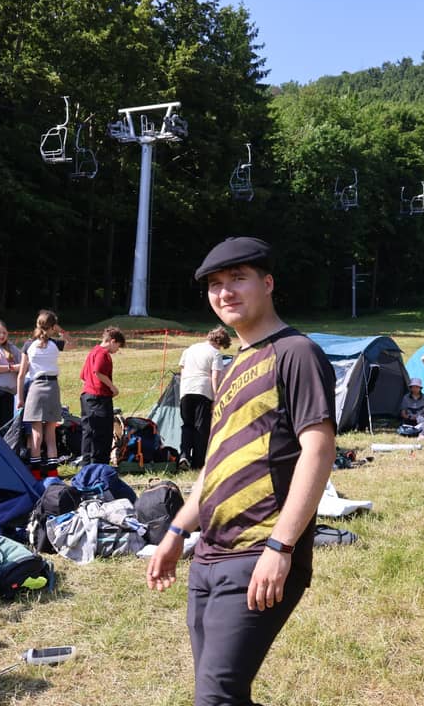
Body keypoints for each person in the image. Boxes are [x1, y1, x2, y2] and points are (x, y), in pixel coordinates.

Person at [146, 236, 336, 706]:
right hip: (208, 556)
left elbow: (318, 451)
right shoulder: (233, 366)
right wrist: (176, 532)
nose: (225, 292)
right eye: (215, 284)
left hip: (258, 552)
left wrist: (281, 546)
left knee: (216, 697)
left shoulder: (296, 353)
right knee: (221, 694)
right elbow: (216, 464)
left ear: (267, 284)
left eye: (237, 278)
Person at [16, 310, 65, 480]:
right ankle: (53, 472)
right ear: (52, 326)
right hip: (52, 386)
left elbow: (21, 374)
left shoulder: (28, 345)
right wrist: (61, 331)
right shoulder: (56, 344)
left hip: (36, 387)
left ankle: (35, 473)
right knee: (50, 433)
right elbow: (73, 342)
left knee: (36, 433)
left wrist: (20, 398)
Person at [177, 325, 232, 470]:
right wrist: (215, 398)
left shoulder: (189, 349)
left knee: (187, 425)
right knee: (201, 428)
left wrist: (182, 393)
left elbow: (182, 371)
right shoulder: (215, 354)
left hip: (186, 389)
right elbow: (215, 377)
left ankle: (184, 455)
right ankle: (198, 463)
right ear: (220, 342)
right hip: (203, 391)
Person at [79, 326, 126, 466]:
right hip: (98, 398)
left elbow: (83, 376)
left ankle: (86, 464)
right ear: (112, 341)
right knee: (102, 434)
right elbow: (98, 371)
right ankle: (99, 465)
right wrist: (112, 387)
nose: (117, 350)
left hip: (87, 397)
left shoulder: (92, 352)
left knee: (88, 432)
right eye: (118, 346)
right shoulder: (102, 353)